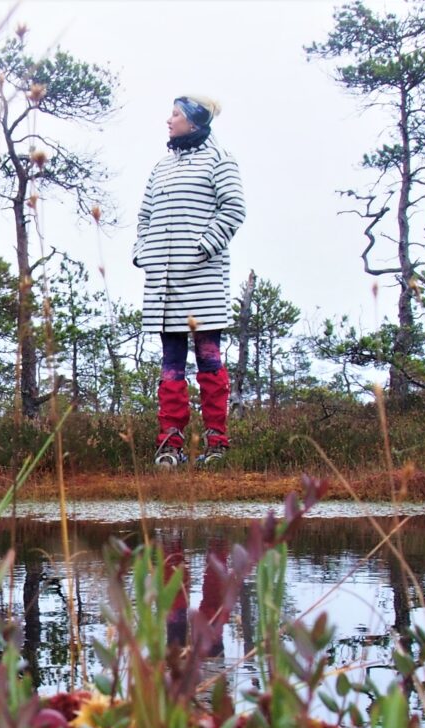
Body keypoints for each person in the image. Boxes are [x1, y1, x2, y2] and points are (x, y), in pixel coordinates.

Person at [133, 95, 246, 467]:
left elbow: (233, 210)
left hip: (203, 284)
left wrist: (199, 250)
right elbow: (145, 216)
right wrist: (142, 252)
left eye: (176, 114)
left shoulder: (220, 159)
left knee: (209, 362)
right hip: (163, 288)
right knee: (170, 364)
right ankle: (170, 445)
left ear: (194, 122)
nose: (169, 120)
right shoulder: (161, 167)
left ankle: (217, 445)